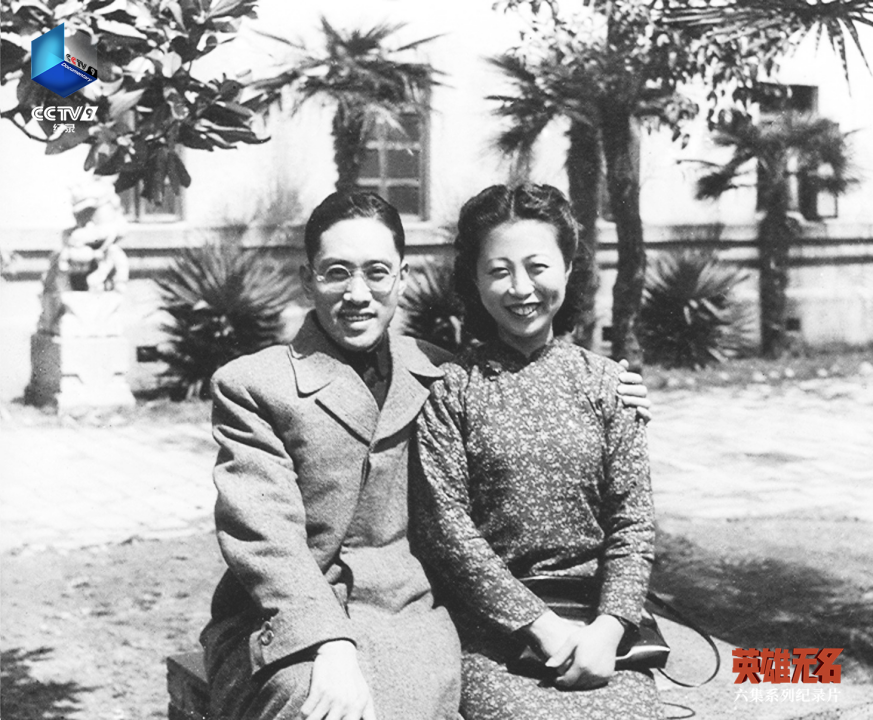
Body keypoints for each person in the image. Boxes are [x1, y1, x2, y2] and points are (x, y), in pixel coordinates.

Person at [200, 190, 652, 720]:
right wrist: (327, 643)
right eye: (337, 273)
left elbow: (534, 400)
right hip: (287, 620)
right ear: (307, 280)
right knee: (317, 708)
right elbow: (266, 537)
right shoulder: (255, 385)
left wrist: (622, 396)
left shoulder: (436, 370)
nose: (357, 294)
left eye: (376, 272)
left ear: (402, 277)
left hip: (407, 615)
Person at [411, 183, 663, 719]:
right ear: (474, 279)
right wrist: (539, 626)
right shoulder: (451, 391)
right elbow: (447, 532)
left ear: (568, 268)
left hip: (600, 628)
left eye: (537, 266)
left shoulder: (607, 386)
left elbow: (633, 523)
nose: (521, 288)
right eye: (499, 271)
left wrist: (609, 627)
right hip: (494, 635)